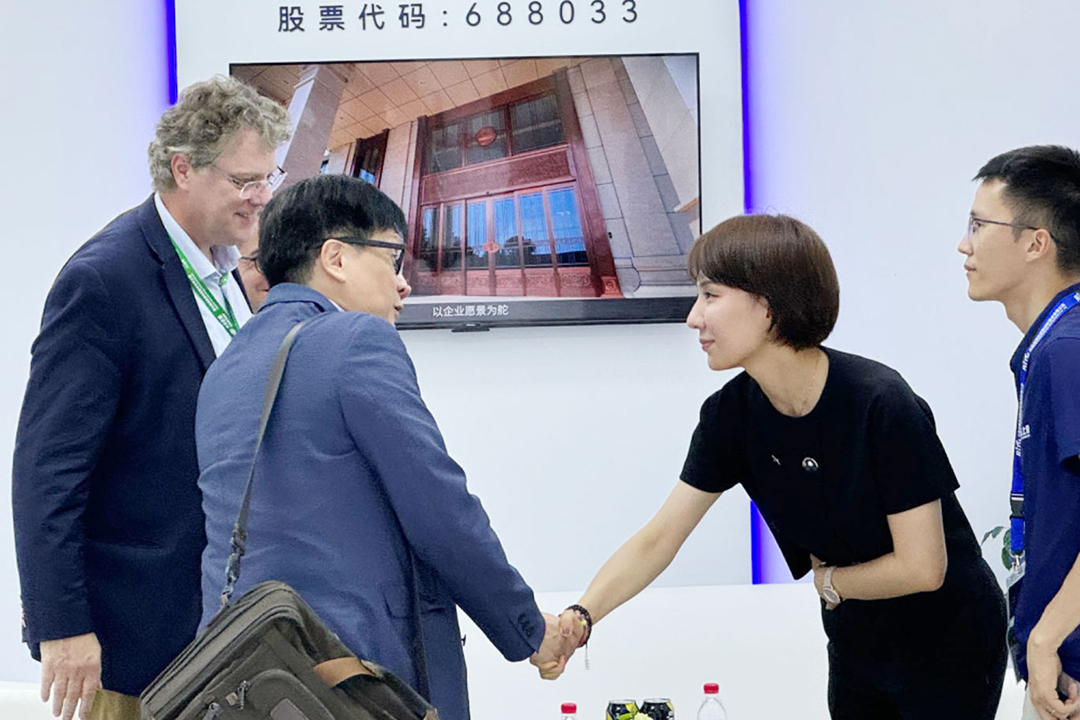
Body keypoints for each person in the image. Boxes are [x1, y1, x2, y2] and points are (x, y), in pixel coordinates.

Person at [549, 214, 1007, 718]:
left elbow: (924, 567)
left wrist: (830, 583)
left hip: (949, 638)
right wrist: (582, 616)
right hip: (856, 638)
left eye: (710, 295)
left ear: (767, 305)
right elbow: (659, 538)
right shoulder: (730, 415)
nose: (693, 318)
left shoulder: (880, 401)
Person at [194, 174, 575, 720]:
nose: (403, 284)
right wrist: (529, 629)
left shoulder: (224, 369)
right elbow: (440, 512)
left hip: (252, 677)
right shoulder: (356, 340)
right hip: (351, 674)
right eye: (392, 258)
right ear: (336, 258)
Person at [11, 76, 290, 720]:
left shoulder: (224, 269)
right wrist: (62, 624)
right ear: (183, 168)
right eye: (244, 180)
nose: (261, 197)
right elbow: (47, 470)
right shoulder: (104, 281)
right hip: (133, 640)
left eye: (267, 178)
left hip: (220, 627)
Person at [959, 145, 1080, 720]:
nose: (964, 245)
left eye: (978, 226)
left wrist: (1046, 638)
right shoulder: (1051, 346)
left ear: (1036, 243)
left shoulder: (1068, 349)